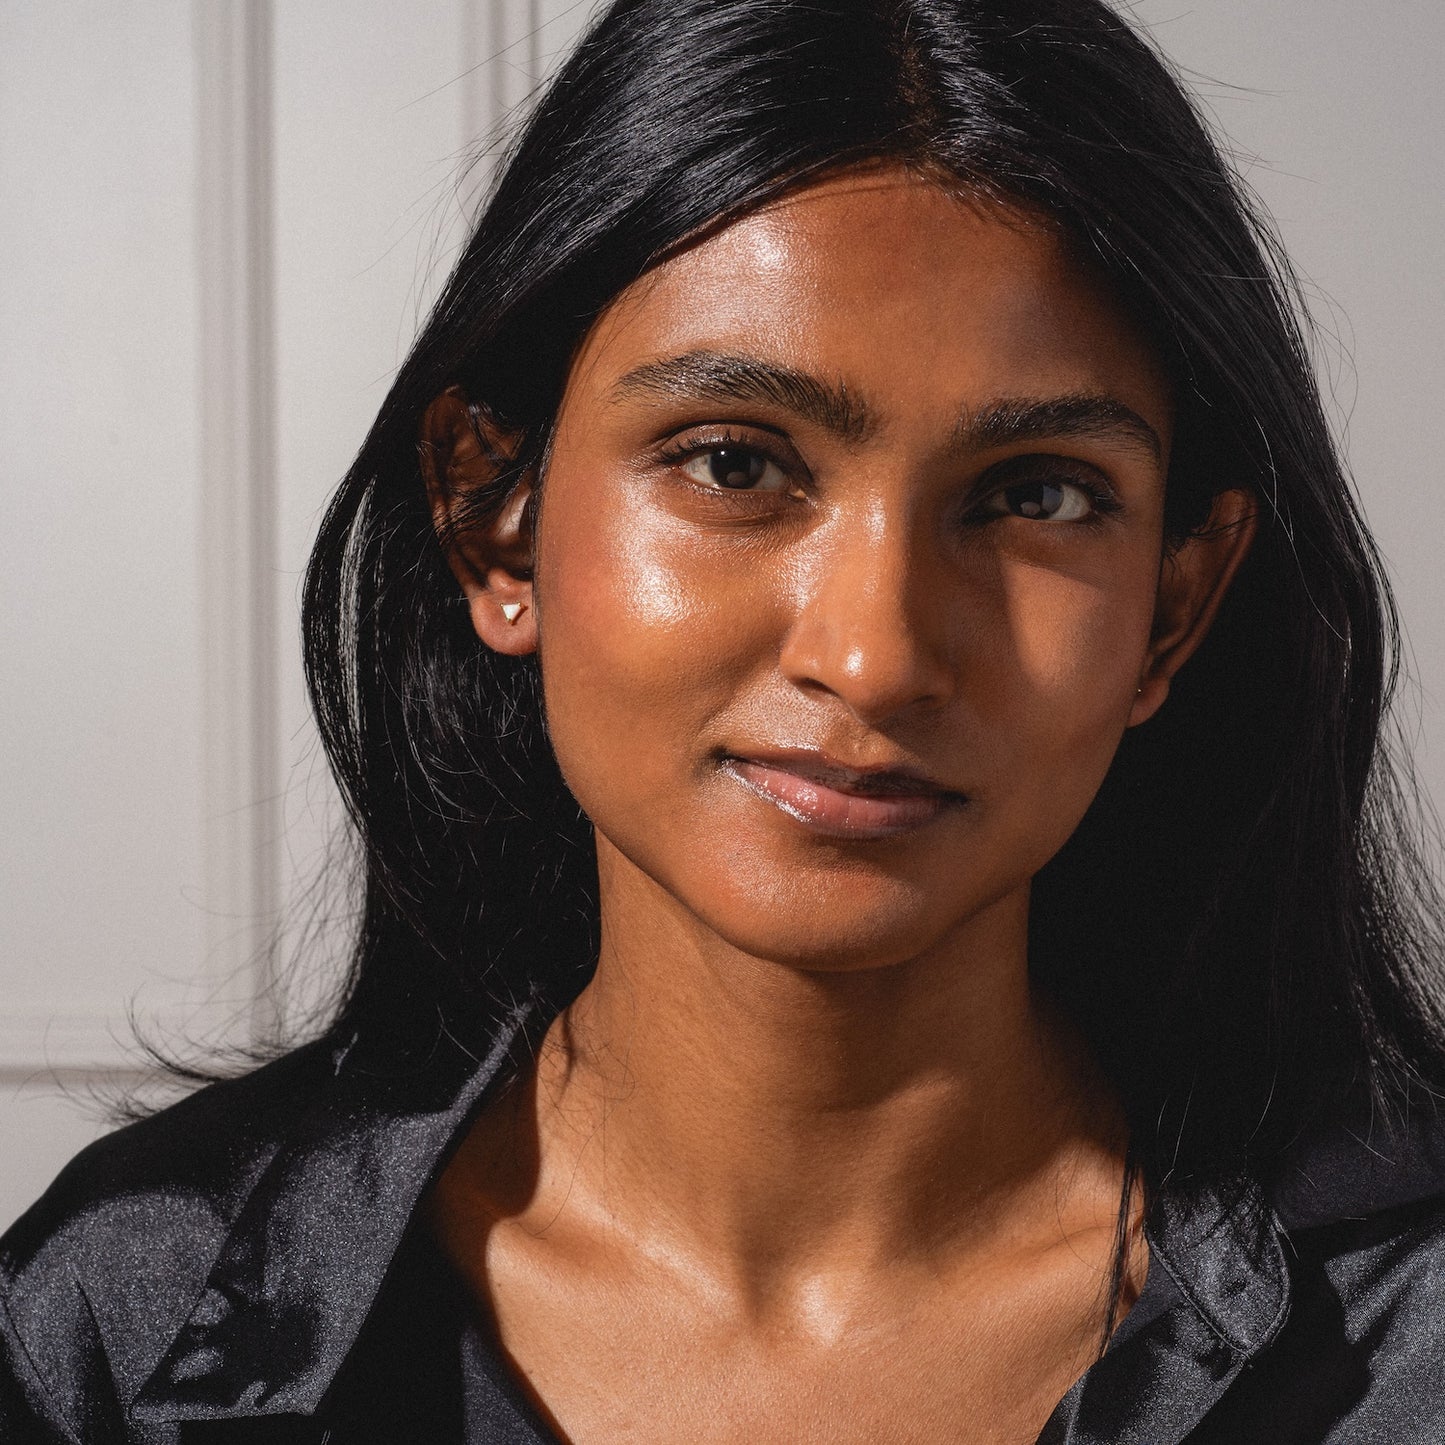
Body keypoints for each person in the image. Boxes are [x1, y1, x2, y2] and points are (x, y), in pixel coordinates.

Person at [5, 0, 1445, 1440]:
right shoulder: (124, 1331)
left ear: (1172, 610)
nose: (875, 656)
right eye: (733, 462)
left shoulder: (1411, 1340)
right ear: (492, 525)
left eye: (1033, 493)